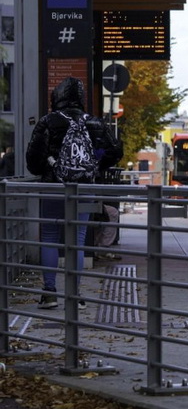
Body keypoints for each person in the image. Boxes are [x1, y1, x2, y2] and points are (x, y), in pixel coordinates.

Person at [25, 77, 123, 309]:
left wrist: (48, 169)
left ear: (56, 98)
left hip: (53, 188)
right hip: (84, 187)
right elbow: (114, 150)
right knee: (77, 240)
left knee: (49, 236)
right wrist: (95, 166)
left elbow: (33, 159)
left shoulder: (48, 121)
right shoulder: (94, 123)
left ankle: (49, 293)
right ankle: (75, 295)